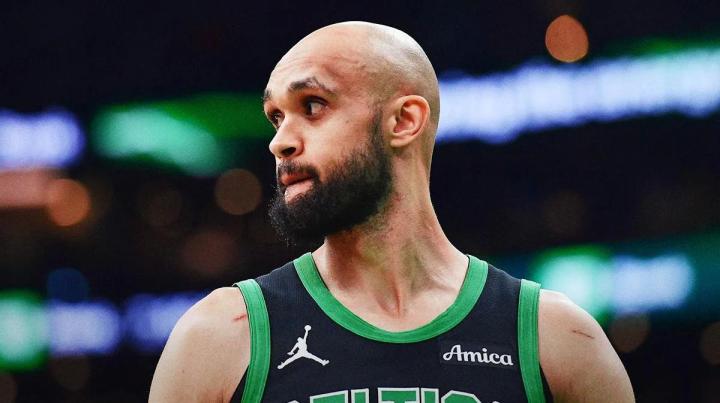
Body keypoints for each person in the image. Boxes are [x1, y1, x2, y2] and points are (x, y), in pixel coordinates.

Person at [149, 21, 634, 403]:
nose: (280, 142)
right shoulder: (218, 337)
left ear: (403, 120)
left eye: (312, 105)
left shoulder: (557, 339)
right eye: (277, 116)